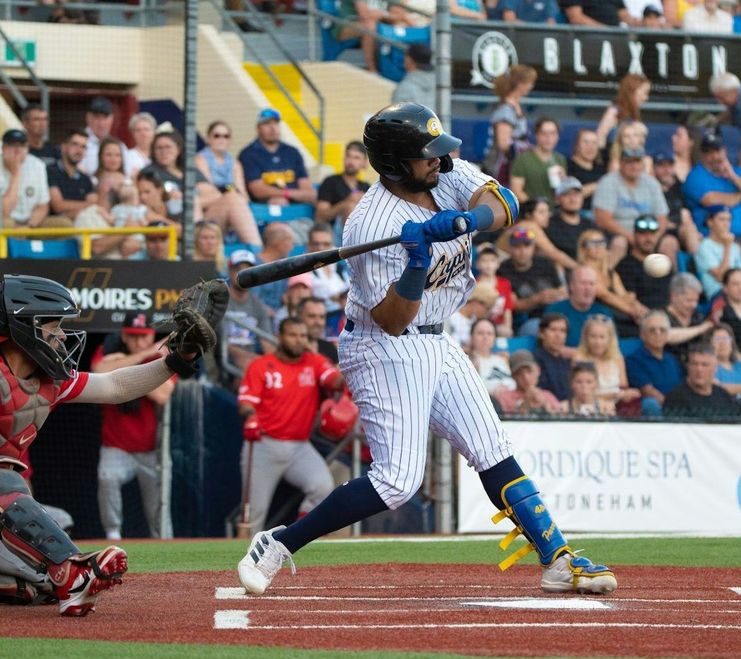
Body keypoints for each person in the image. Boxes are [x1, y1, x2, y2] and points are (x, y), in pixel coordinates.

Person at [237, 103, 617, 599]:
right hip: (382, 346)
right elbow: (394, 320)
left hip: (440, 335)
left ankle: (557, 559)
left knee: (490, 446)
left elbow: (505, 203)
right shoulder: (370, 224)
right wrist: (416, 262)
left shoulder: (446, 173)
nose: (439, 162)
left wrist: (466, 220)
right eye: (427, 156)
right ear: (395, 164)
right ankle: (279, 543)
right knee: (397, 481)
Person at [0, 274, 217, 614]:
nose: (61, 336)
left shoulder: (46, 379)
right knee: (0, 479)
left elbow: (115, 387)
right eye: (53, 326)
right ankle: (71, 571)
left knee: (37, 587)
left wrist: (176, 359)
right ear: (25, 326)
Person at [238, 317, 342, 533]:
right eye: (292, 335)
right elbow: (246, 403)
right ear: (279, 337)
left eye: (303, 336)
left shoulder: (314, 361)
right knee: (254, 513)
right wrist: (251, 416)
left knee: (323, 488)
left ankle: (299, 535)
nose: (299, 341)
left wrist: (351, 367)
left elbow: (334, 380)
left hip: (300, 447)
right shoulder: (261, 365)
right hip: (265, 444)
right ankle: (244, 561)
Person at [91, 314, 175, 540]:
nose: (139, 343)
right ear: (124, 337)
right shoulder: (114, 352)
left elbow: (163, 395)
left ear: (152, 336)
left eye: (144, 338)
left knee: (159, 505)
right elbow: (98, 372)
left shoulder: (159, 360)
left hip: (152, 449)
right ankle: (113, 535)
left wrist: (122, 374)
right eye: (134, 337)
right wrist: (144, 356)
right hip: (117, 446)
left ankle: (163, 542)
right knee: (107, 477)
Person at [592, 147, 670, 259]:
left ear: (642, 164)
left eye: (637, 162)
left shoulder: (651, 183)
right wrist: (631, 237)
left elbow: (662, 217)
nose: (634, 166)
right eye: (629, 162)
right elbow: (603, 219)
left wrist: (654, 238)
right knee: (620, 243)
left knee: (669, 243)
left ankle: (669, 276)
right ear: (621, 163)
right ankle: (608, 275)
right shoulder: (608, 182)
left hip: (650, 232)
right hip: (621, 233)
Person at [683, 132, 741, 238]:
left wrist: (734, 177)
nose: (715, 156)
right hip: (714, 239)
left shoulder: (737, 172)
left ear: (724, 151)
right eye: (709, 153)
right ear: (702, 155)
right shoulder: (695, 175)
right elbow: (711, 200)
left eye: (718, 151)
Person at [577, 228, 648, 335]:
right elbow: (606, 296)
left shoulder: (611, 273)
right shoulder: (583, 272)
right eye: (592, 243)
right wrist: (632, 311)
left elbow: (624, 295)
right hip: (598, 319)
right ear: (584, 248)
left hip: (619, 314)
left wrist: (645, 313)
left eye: (601, 243)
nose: (598, 247)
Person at [240, 108, 317, 207]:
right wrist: (288, 194)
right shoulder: (248, 154)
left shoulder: (292, 152)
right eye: (267, 124)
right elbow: (257, 190)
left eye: (275, 123)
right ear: (258, 128)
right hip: (265, 207)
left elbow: (305, 185)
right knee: (279, 202)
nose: (272, 128)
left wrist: (301, 195)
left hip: (295, 203)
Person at [0, 128, 50, 229]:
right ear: (2, 148)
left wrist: (29, 226)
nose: (18, 150)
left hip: (30, 223)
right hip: (3, 219)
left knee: (62, 224)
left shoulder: (38, 165)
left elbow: (43, 206)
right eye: (12, 146)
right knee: (6, 224)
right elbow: (5, 210)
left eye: (22, 146)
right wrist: (16, 174)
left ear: (27, 148)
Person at [499, 226, 566, 333]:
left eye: (527, 246)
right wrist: (538, 298)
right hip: (527, 319)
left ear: (533, 247)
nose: (522, 251)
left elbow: (562, 290)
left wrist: (554, 295)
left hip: (555, 313)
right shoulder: (503, 269)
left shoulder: (545, 263)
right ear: (510, 248)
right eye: (517, 246)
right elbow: (513, 305)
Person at [483, 65, 536, 186]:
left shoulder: (515, 106)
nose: (531, 86)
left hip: (516, 163)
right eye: (529, 83)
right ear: (520, 84)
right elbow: (504, 144)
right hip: (503, 166)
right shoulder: (506, 110)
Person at [572, 314, 640, 405]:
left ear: (610, 339)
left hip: (617, 406)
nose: (598, 342)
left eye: (602, 337)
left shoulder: (617, 357)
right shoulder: (579, 358)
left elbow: (623, 387)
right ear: (586, 337)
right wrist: (614, 395)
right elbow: (580, 394)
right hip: (590, 406)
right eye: (593, 337)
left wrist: (628, 394)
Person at [627, 310, 684, 416]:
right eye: (652, 330)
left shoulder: (673, 360)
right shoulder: (634, 360)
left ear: (667, 334)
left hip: (678, 410)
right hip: (657, 413)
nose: (658, 334)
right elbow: (648, 391)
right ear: (643, 335)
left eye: (662, 330)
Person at [663, 342, 741, 417]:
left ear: (715, 368)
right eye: (694, 364)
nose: (699, 369)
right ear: (688, 366)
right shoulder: (676, 398)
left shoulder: (723, 396)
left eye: (705, 365)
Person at [615, 215, 674, 312]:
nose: (648, 238)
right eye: (643, 234)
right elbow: (630, 300)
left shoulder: (664, 262)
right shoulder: (625, 265)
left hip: (667, 316)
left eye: (652, 234)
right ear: (634, 235)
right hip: (640, 318)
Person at [545, 264, 613, 345]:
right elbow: (548, 346)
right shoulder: (555, 310)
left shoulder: (604, 313)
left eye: (592, 284)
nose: (588, 288)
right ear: (571, 286)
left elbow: (612, 348)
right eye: (583, 283)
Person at [510, 118, 568, 204]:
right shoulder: (523, 159)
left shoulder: (560, 159)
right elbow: (516, 191)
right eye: (544, 133)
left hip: (555, 212)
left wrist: (564, 180)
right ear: (536, 135)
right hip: (531, 213)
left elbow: (563, 194)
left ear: (558, 136)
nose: (548, 138)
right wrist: (536, 208)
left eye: (553, 133)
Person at [694, 206, 741, 299]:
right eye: (722, 220)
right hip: (718, 294)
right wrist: (727, 247)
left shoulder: (733, 246)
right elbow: (721, 277)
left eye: (728, 220)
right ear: (710, 222)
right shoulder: (704, 246)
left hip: (738, 291)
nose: (726, 224)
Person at [47, 130, 97, 226]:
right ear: (63, 147)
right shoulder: (50, 171)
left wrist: (74, 209)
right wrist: (86, 205)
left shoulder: (85, 179)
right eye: (75, 144)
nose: (79, 150)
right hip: (54, 224)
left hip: (81, 222)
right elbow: (58, 206)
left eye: (83, 147)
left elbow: (94, 202)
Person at [316, 141, 371, 227]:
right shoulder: (330, 182)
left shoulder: (366, 187)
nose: (351, 161)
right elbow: (320, 217)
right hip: (333, 233)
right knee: (350, 207)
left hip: (362, 230)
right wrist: (346, 203)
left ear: (364, 162)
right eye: (348, 156)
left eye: (356, 158)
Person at [495, 350, 566, 415]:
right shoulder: (504, 397)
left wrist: (545, 404)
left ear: (538, 370)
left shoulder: (547, 395)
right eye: (519, 373)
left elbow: (561, 420)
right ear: (513, 377)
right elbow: (504, 424)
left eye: (529, 371)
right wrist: (525, 404)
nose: (525, 377)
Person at [195, 120, 247, 197]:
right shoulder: (200, 159)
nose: (221, 139)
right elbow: (208, 190)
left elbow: (242, 191)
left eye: (226, 136)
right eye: (217, 136)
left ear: (230, 140)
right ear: (208, 139)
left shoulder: (235, 163)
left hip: (234, 200)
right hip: (210, 201)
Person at [545, 177, 592, 259]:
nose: (573, 199)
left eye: (576, 194)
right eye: (567, 194)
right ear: (557, 199)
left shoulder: (590, 225)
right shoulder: (548, 224)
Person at [533, 313, 574, 401]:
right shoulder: (534, 360)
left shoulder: (570, 359)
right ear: (541, 333)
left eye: (563, 331)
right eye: (553, 330)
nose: (558, 335)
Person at [78, 97, 123, 177]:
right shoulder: (78, 143)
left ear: (112, 119)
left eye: (105, 118)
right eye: (97, 117)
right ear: (88, 118)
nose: (101, 123)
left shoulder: (120, 146)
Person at [710, 325, 741, 395]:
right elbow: (718, 390)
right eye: (717, 339)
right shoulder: (707, 367)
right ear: (709, 343)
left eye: (726, 338)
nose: (722, 343)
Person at [469, 318, 514, 392]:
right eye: (480, 333)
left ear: (494, 338)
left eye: (489, 333)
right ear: (472, 337)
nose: (485, 337)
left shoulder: (502, 359)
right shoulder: (468, 361)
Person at [295, 296, 340, 364]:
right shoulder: (289, 350)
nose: (318, 322)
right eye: (312, 316)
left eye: (322, 317)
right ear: (299, 317)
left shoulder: (329, 348)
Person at [567, 129, 606, 199]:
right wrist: (599, 185)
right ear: (577, 145)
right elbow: (570, 196)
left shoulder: (600, 168)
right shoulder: (567, 166)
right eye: (585, 142)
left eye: (594, 143)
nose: (590, 147)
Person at [124, 113, 157, 179]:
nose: (143, 133)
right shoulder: (127, 156)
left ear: (154, 131)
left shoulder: (161, 154)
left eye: (146, 129)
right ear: (132, 134)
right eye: (138, 130)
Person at [561, 0, 630, 25]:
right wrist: (608, 31)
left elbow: (625, 17)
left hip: (616, 38)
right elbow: (575, 18)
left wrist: (639, 23)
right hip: (588, 38)